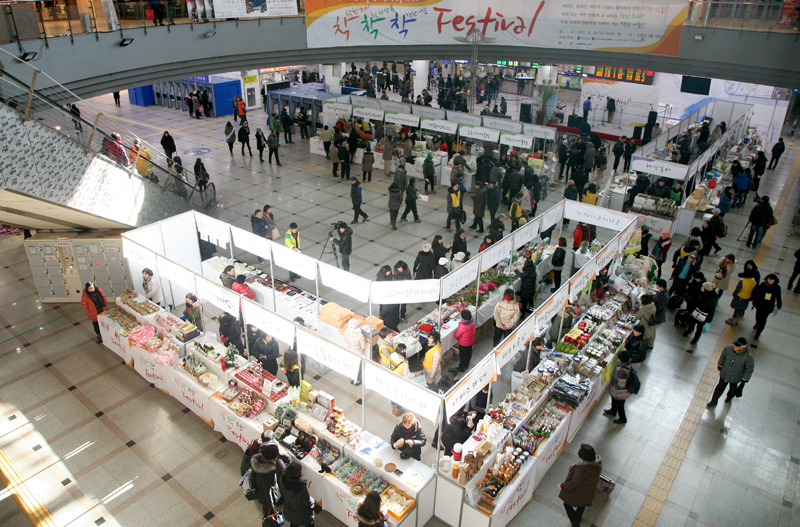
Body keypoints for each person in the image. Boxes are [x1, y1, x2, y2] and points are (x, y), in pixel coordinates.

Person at [557, 443, 602, 527]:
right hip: (589, 490)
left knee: (567, 505)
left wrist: (562, 486)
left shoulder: (581, 470)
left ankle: (575, 522)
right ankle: (578, 517)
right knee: (582, 504)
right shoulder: (597, 463)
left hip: (580, 491)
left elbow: (573, 484)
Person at [707, 337, 754, 407]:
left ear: (742, 348)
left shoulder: (748, 357)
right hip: (725, 373)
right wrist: (720, 364)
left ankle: (730, 397)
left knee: (732, 389)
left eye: (737, 346)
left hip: (736, 377)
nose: (734, 346)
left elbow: (749, 369)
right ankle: (713, 401)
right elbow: (723, 357)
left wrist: (745, 379)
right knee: (719, 388)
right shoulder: (728, 348)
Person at [251, 443, 288, 518]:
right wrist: (271, 507)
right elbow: (267, 492)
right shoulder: (268, 473)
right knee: (268, 512)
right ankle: (267, 520)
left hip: (259, 490)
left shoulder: (258, 461)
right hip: (265, 497)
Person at [279, 463, 316, 527]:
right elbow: (307, 502)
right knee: (309, 524)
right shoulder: (301, 488)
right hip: (303, 513)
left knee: (294, 524)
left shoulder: (282, 480)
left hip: (290, 510)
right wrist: (312, 501)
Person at [604, 350, 633, 424]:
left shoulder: (622, 371)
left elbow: (621, 385)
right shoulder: (626, 364)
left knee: (620, 406)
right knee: (614, 401)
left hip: (620, 392)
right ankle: (613, 410)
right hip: (617, 391)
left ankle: (622, 419)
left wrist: (614, 387)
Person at [751, 274, 782, 339]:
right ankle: (757, 323)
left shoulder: (777, 287)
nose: (769, 281)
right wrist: (754, 302)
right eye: (769, 279)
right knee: (758, 316)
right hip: (760, 305)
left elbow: (778, 297)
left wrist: (779, 305)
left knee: (763, 319)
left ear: (774, 280)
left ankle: (759, 331)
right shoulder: (763, 285)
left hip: (768, 306)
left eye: (771, 279)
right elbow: (757, 293)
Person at [343, 319, 367, 386]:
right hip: (358, 353)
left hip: (350, 351)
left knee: (352, 365)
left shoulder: (346, 332)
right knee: (358, 367)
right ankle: (357, 380)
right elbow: (363, 346)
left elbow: (345, 340)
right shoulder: (359, 335)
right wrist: (362, 350)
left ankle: (352, 378)